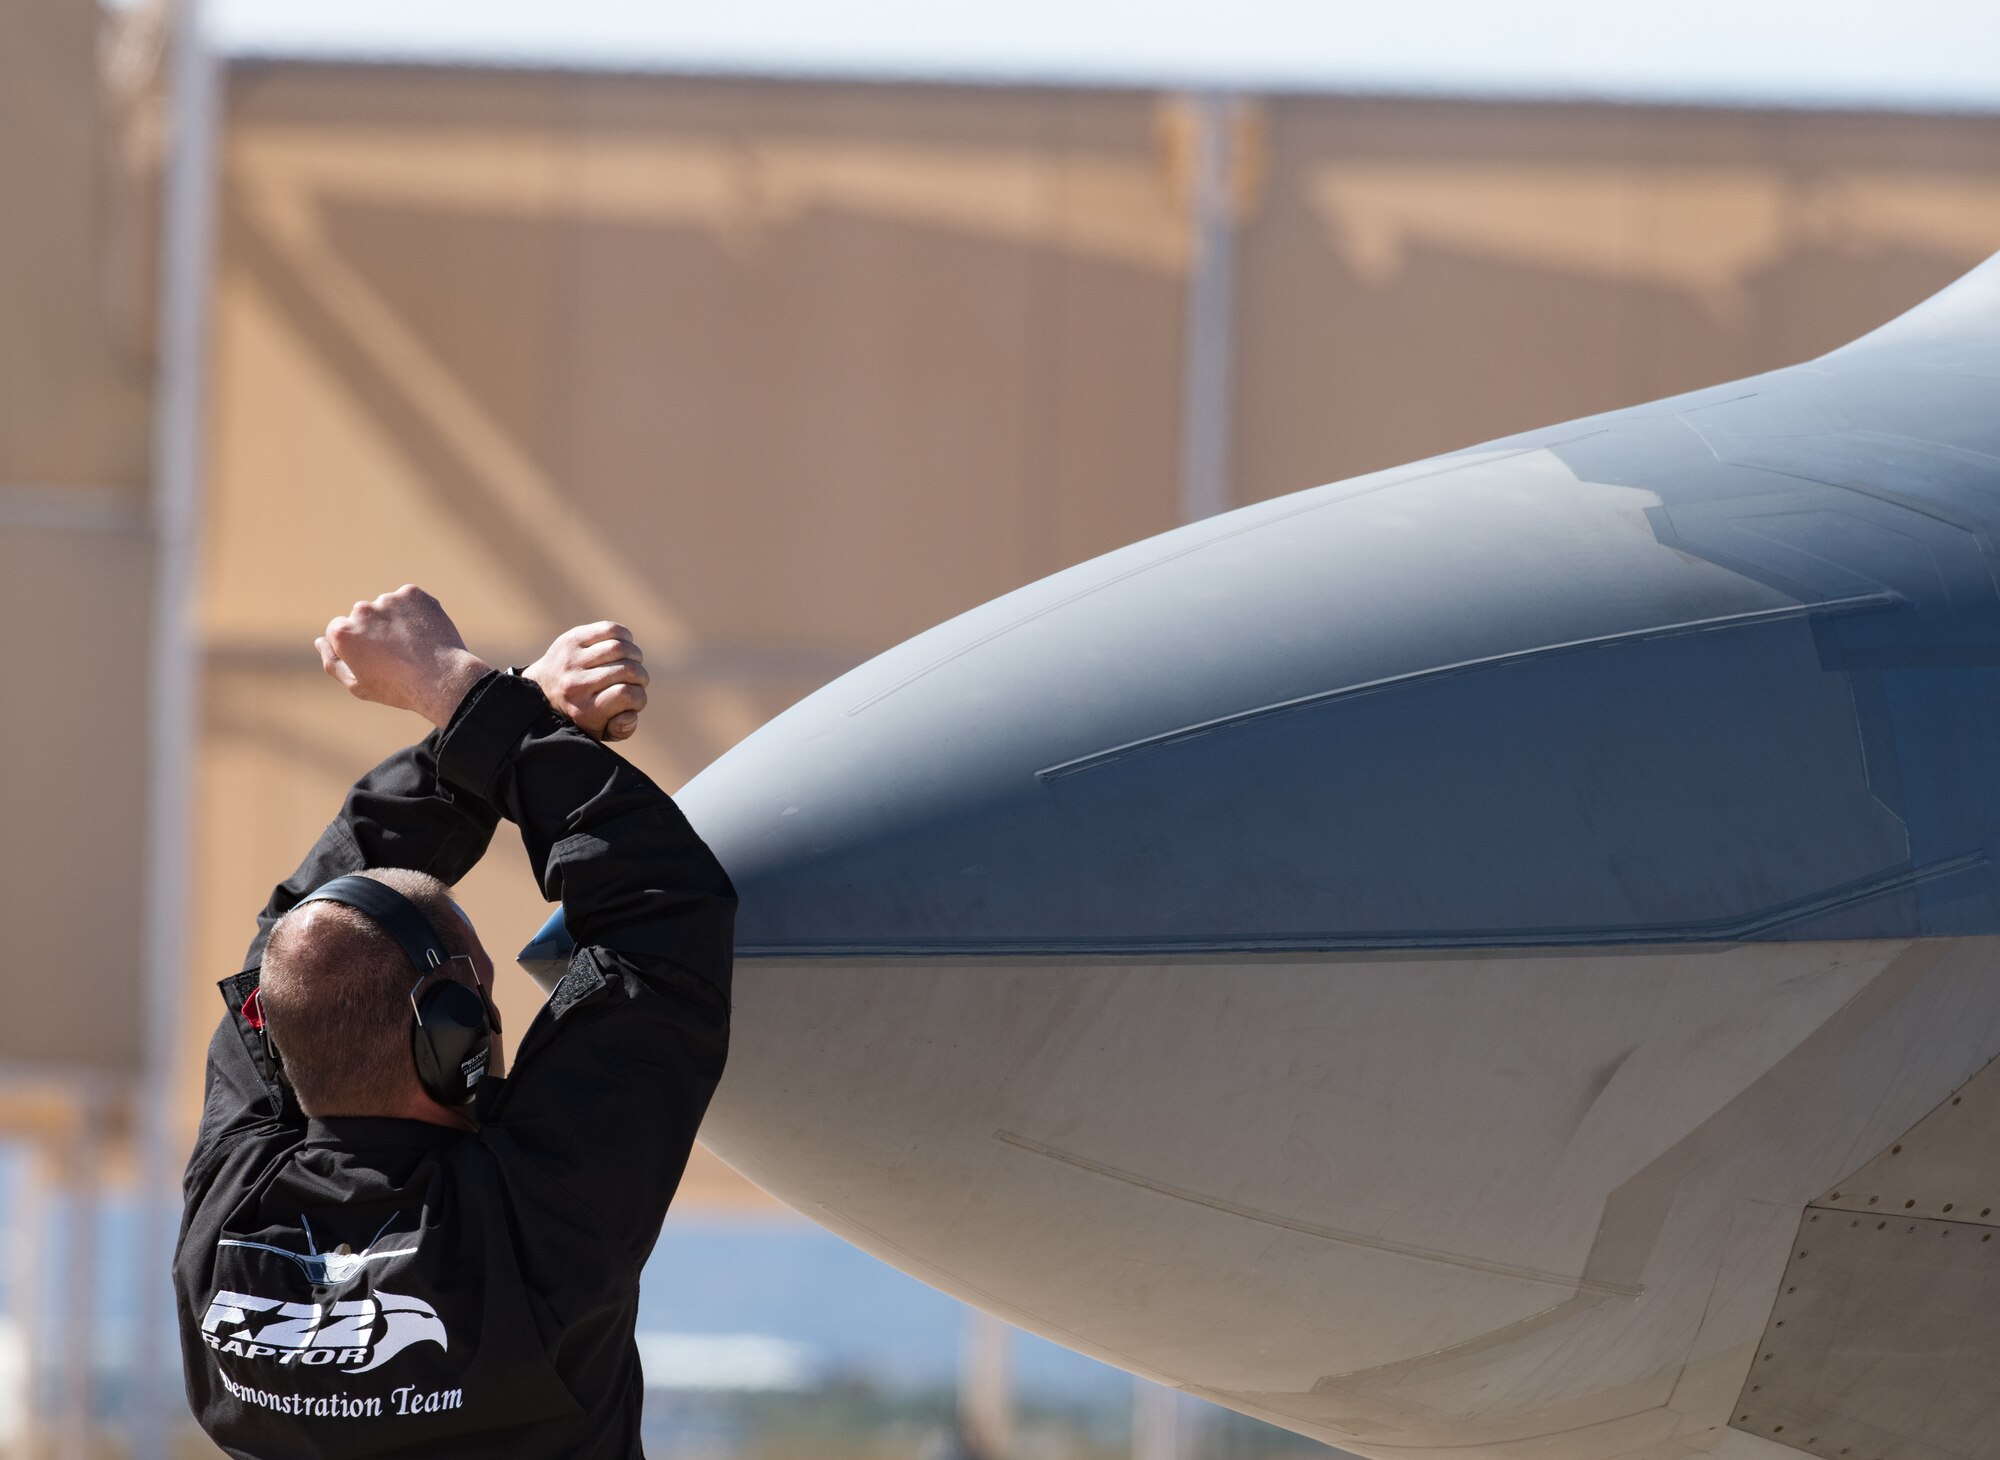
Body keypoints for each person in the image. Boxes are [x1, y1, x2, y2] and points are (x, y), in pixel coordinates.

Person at [174, 585, 736, 1458]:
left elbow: (304, 944)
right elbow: (661, 910)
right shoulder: (534, 1220)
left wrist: (494, 707)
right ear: (455, 1039)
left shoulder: (227, 1224)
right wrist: (469, 697)